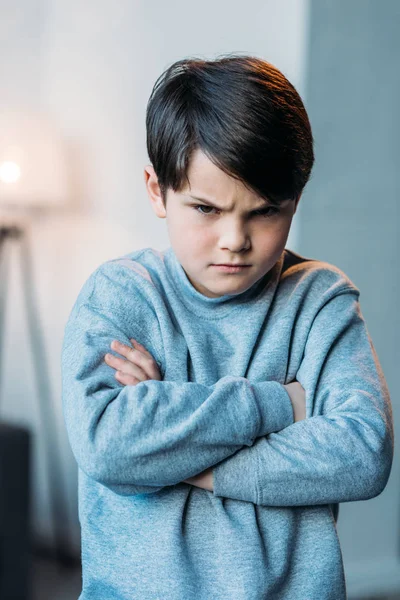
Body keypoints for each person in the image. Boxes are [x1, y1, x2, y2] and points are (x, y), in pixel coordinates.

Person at [61, 55, 394, 599]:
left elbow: (362, 453)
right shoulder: (121, 295)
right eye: (207, 209)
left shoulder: (320, 299)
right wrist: (281, 405)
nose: (235, 239)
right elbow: (109, 447)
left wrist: (174, 448)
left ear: (296, 201)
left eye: (265, 212)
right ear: (156, 190)